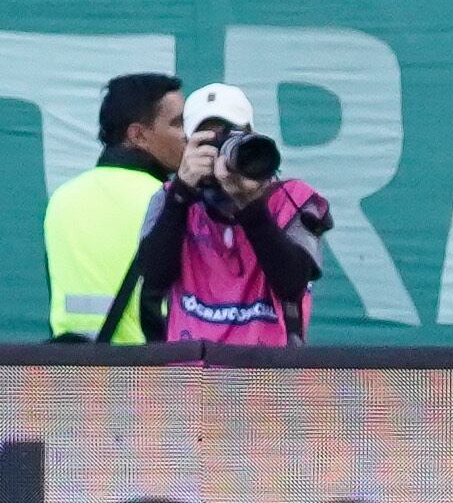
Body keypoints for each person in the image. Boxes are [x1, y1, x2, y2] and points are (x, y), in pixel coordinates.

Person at [124, 80, 331, 343]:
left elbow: (292, 284)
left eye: (229, 138)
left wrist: (249, 204)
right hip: (191, 365)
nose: (220, 153)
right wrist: (181, 193)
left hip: (269, 366)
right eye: (208, 141)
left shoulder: (294, 199)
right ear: (188, 145)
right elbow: (154, 278)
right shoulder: (169, 199)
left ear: (251, 136)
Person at [44, 71, 184, 339]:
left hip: (73, 363)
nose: (189, 135)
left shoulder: (62, 198)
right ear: (138, 135)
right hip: (152, 363)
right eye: (178, 123)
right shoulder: (170, 202)